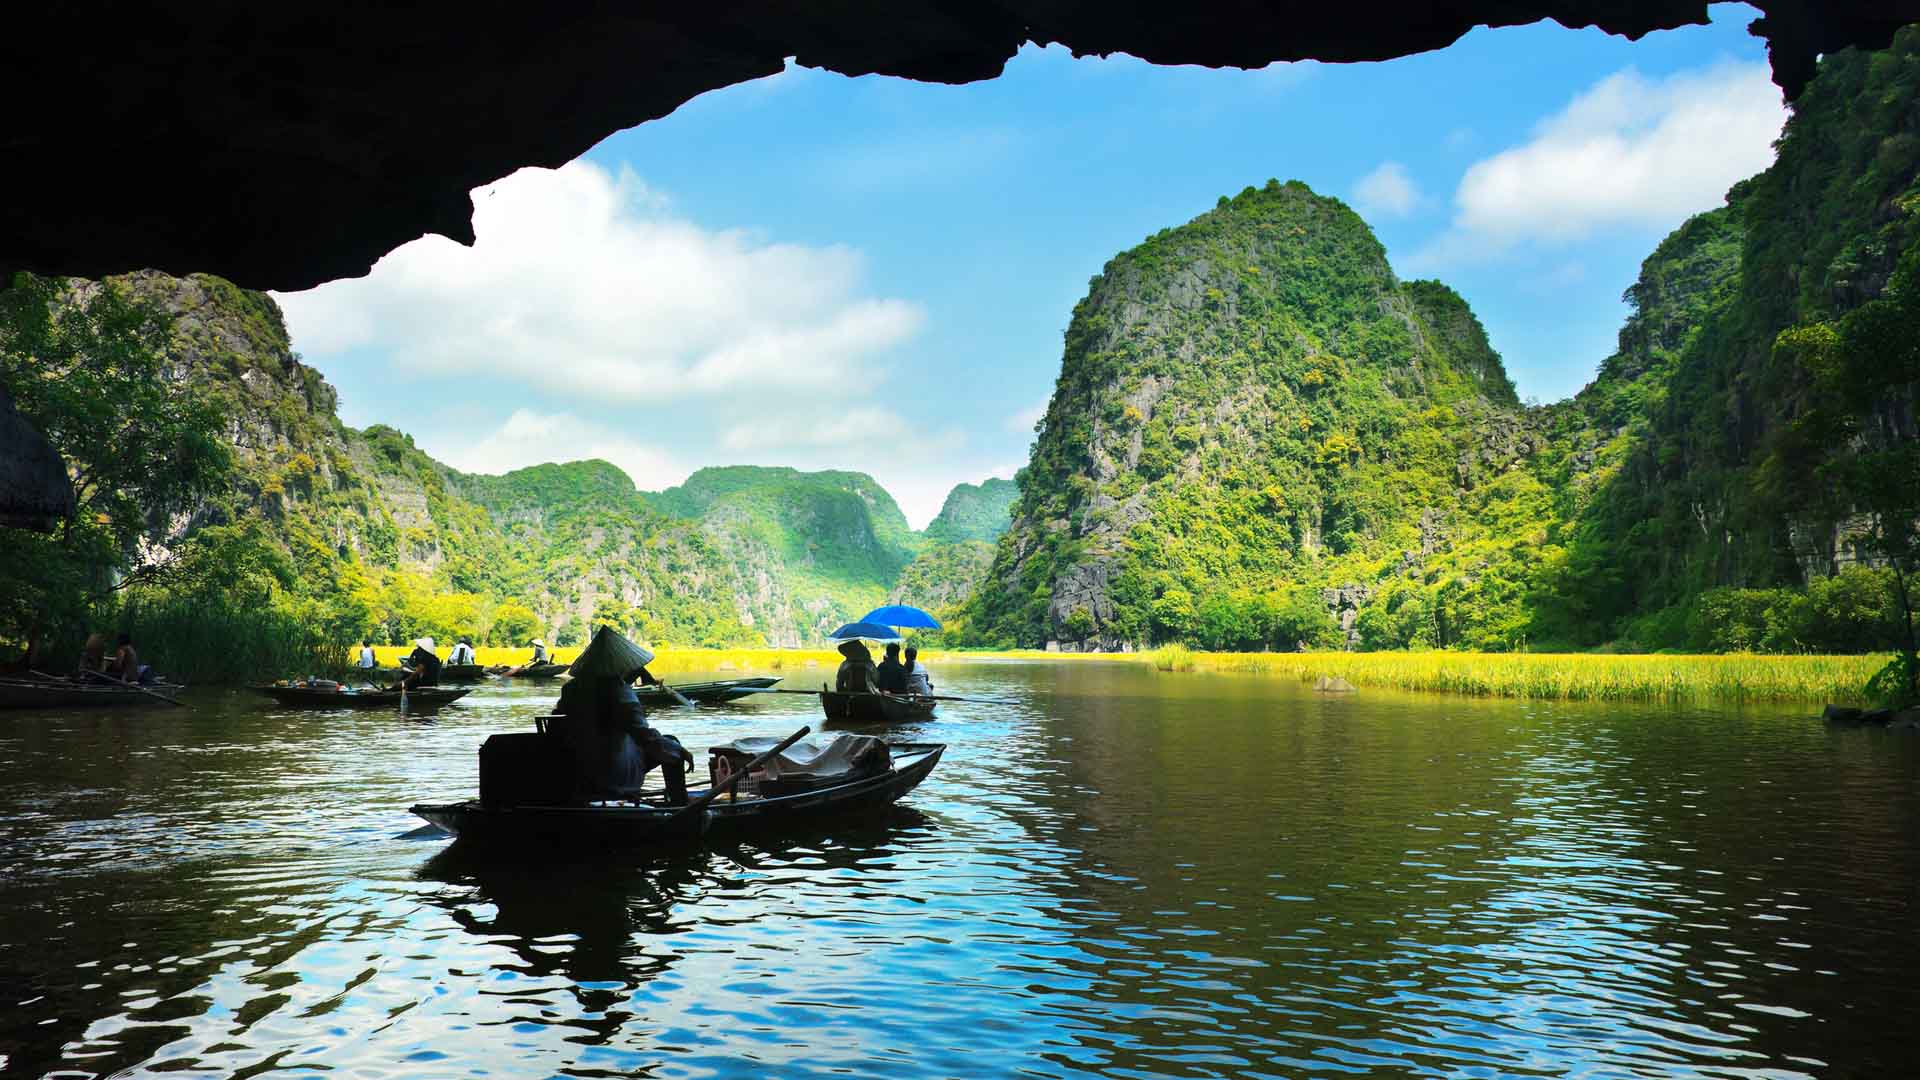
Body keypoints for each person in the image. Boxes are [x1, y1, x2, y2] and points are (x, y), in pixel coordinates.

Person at [550, 626, 692, 805]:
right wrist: (679, 751)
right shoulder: (619, 692)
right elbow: (644, 735)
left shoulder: (571, 689)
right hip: (613, 773)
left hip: (577, 771)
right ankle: (679, 803)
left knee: (666, 744)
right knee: (672, 744)